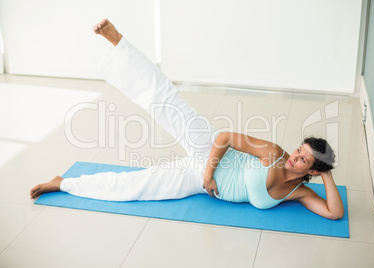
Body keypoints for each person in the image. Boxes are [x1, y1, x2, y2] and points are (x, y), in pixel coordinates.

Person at [30, 19, 344, 220]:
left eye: (303, 160)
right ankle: (118, 43)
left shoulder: (299, 191)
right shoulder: (274, 153)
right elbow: (223, 138)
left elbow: (333, 212)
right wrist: (209, 175)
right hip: (208, 153)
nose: (295, 157)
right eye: (299, 150)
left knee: (136, 188)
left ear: (313, 170)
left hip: (196, 181)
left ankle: (64, 183)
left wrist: (325, 172)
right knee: (165, 100)